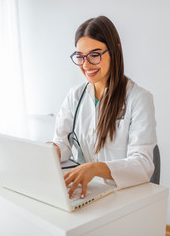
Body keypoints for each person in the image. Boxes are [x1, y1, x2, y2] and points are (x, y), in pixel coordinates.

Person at [51, 16, 157, 199]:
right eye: (80, 56)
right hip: (86, 191)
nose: (86, 65)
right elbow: (63, 142)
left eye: (95, 55)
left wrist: (96, 168)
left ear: (114, 50)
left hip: (122, 194)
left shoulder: (139, 99)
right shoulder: (75, 95)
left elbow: (143, 164)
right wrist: (49, 152)